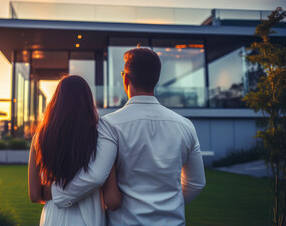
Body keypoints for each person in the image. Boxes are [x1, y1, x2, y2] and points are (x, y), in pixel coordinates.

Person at [50, 47, 206, 225]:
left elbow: (96, 175)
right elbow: (196, 183)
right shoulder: (185, 126)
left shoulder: (110, 124)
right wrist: (168, 205)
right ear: (156, 79)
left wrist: (57, 194)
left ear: (125, 78)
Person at [28, 75, 122, 226]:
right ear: (87, 101)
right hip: (88, 219)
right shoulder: (100, 138)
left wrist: (54, 192)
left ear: (56, 101)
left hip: (52, 218)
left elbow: (34, 195)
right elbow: (113, 200)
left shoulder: (40, 137)